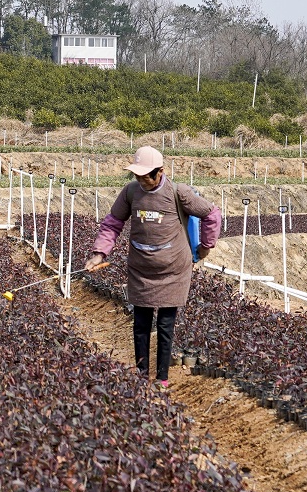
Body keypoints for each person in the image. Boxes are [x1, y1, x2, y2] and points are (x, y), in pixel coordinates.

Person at [85, 145, 221, 384]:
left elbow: (211, 214)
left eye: (146, 176)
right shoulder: (130, 192)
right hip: (141, 268)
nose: (141, 180)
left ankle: (162, 378)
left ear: (160, 171)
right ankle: (141, 376)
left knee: (166, 325)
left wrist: (205, 247)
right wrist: (99, 253)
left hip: (173, 270)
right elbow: (113, 222)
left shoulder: (179, 193)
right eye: (137, 176)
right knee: (141, 324)